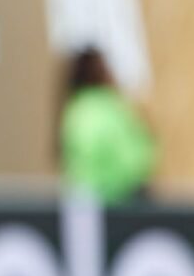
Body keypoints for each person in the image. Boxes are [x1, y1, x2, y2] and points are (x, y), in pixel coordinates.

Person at [59, 46, 156, 205]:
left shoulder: (73, 111)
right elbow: (135, 160)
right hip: (122, 200)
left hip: (84, 200)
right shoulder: (112, 108)